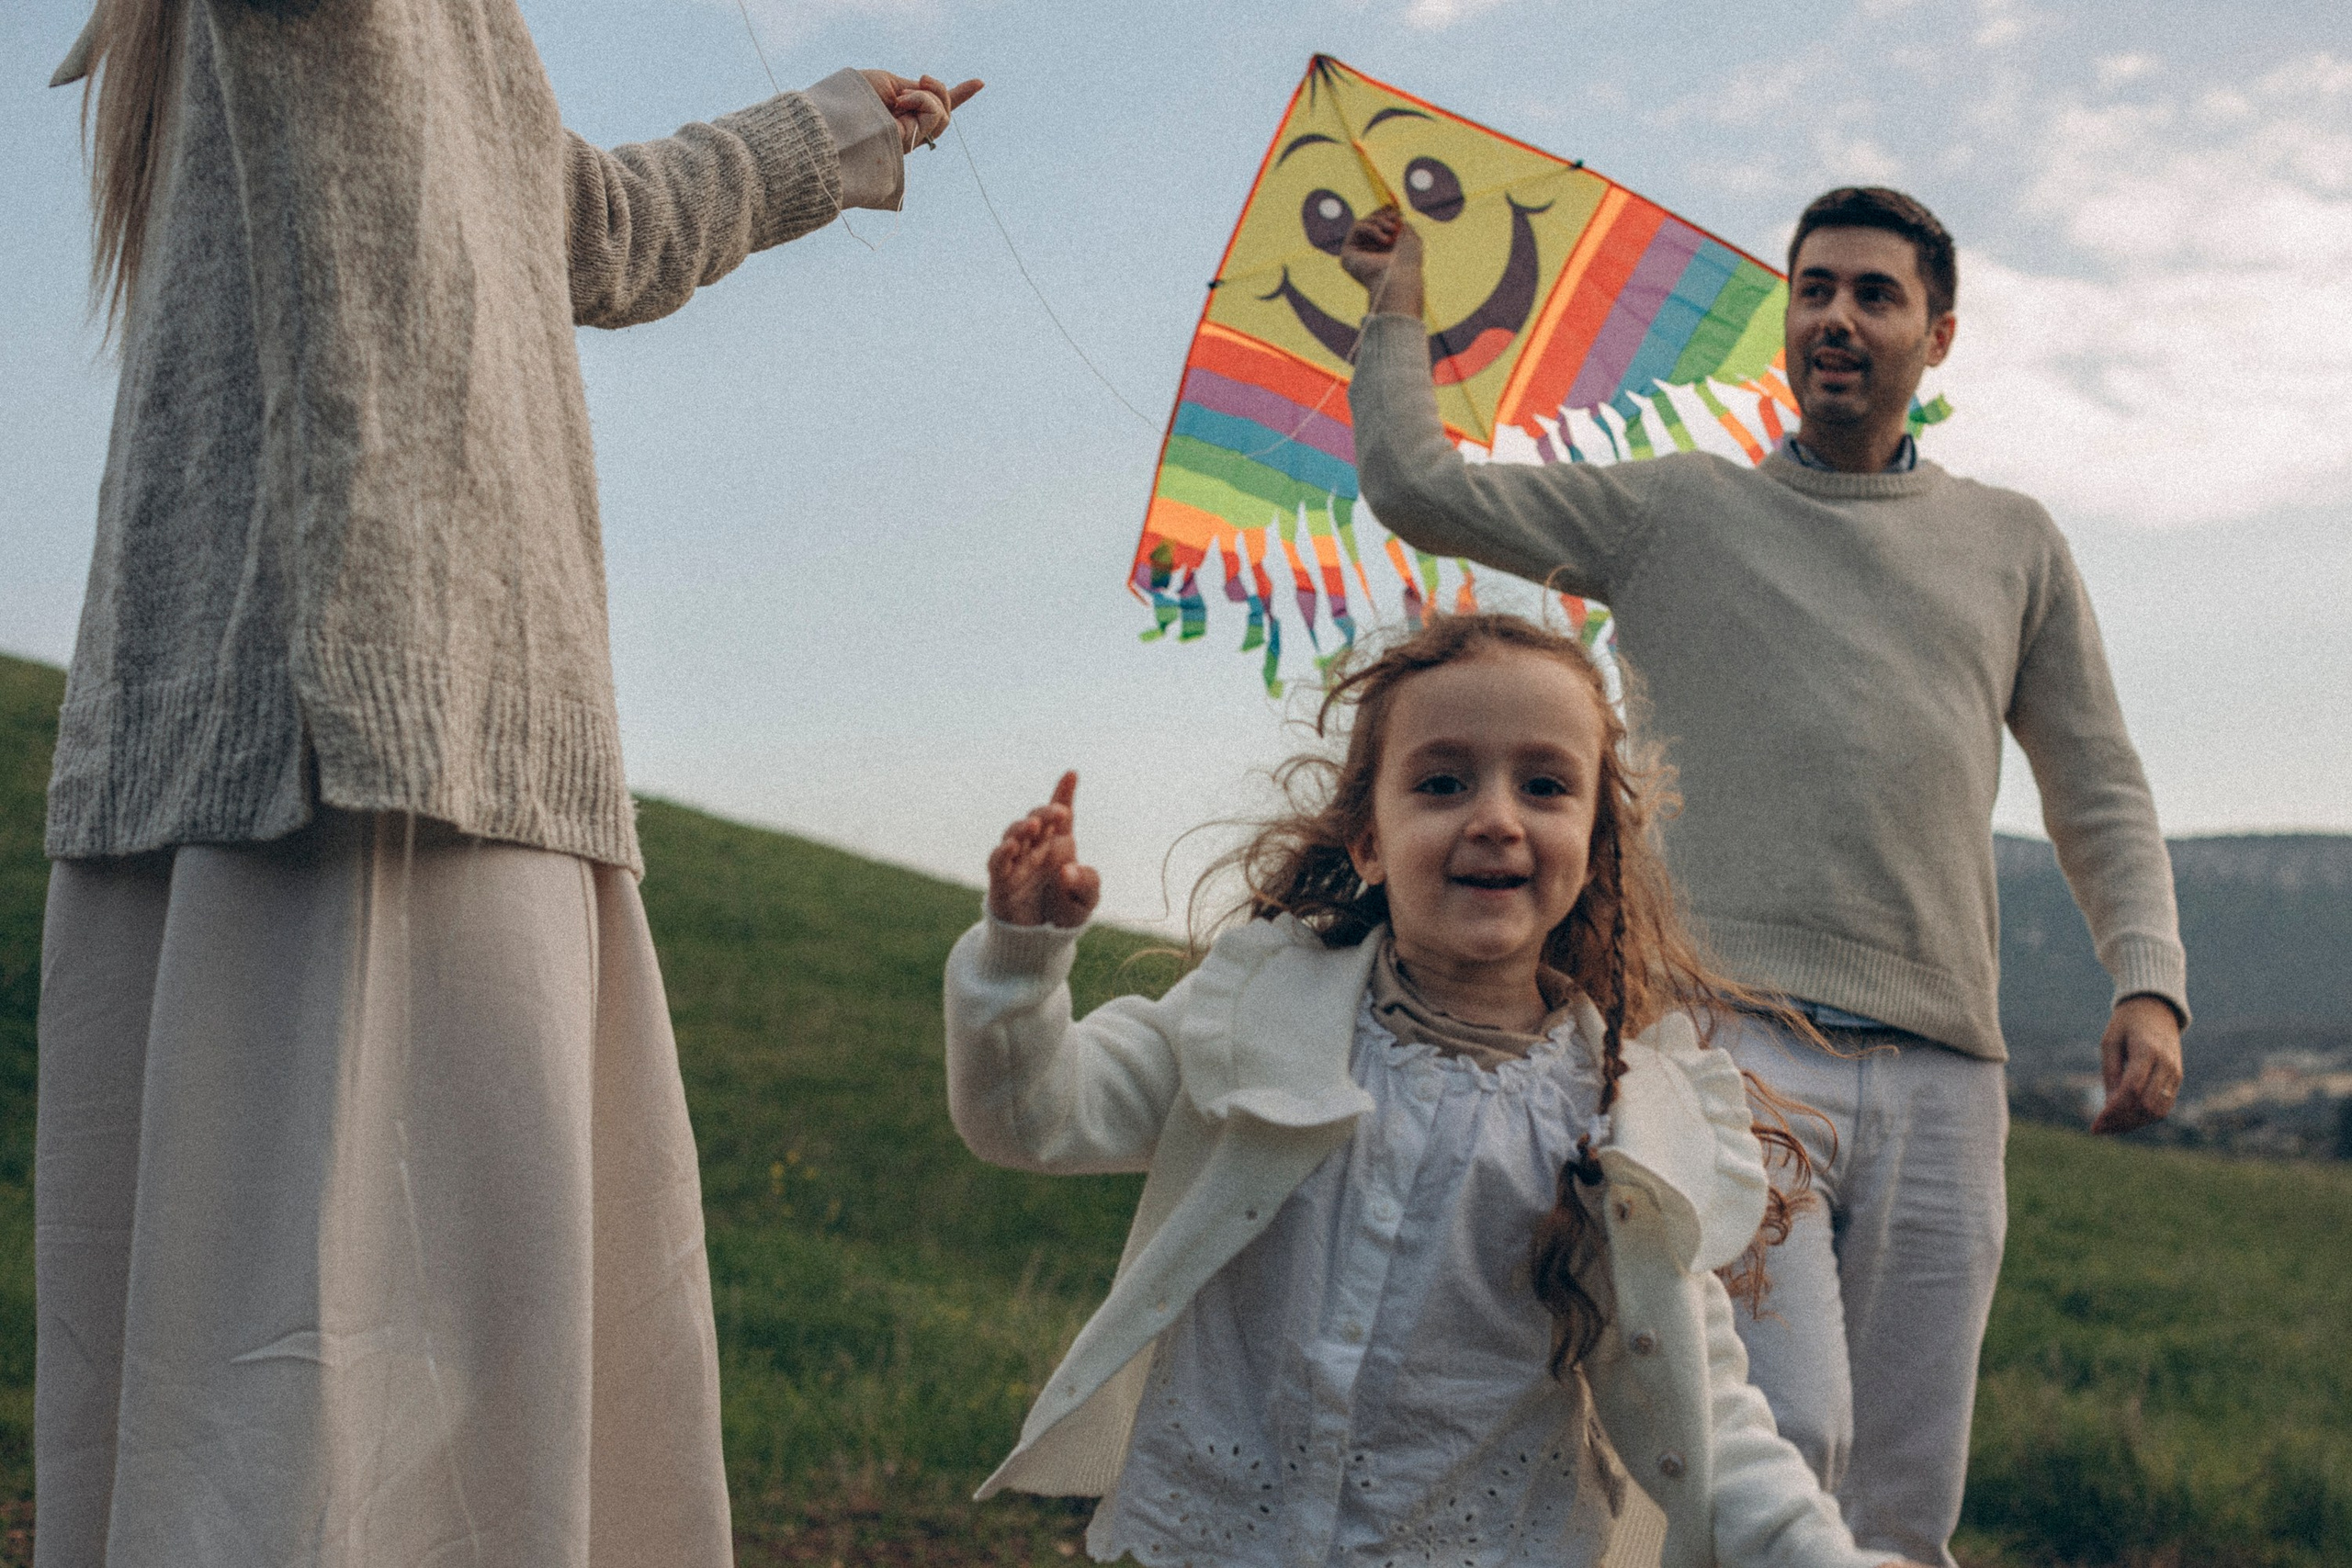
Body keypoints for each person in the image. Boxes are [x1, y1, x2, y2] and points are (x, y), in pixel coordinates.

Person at [37, 2, 977, 1563]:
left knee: (462, 1412)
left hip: (465, 730)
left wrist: (835, 132)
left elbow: (597, 225)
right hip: (334, 759)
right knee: (302, 1424)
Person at [1334, 188, 2188, 1566]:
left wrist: (2149, 976)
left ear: (1939, 334)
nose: (1836, 317)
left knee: (1908, 1496)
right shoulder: (1676, 509)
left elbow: (2095, 777)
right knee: (1777, 1441)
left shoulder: (2014, 543)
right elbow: (1420, 488)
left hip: (1946, 1070)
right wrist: (1394, 311)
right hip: (1723, 1046)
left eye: (1874, 294)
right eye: (1814, 290)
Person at [945, 614, 1933, 1568]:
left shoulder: (1623, 1120)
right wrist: (1020, 962)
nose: (1495, 819)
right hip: (1228, 1534)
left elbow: (1705, 1407)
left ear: (1596, 850)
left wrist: (1820, 1555)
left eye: (1545, 786)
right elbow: (1031, 1117)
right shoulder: (1251, 1016)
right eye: (1443, 781)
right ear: (1368, 842)